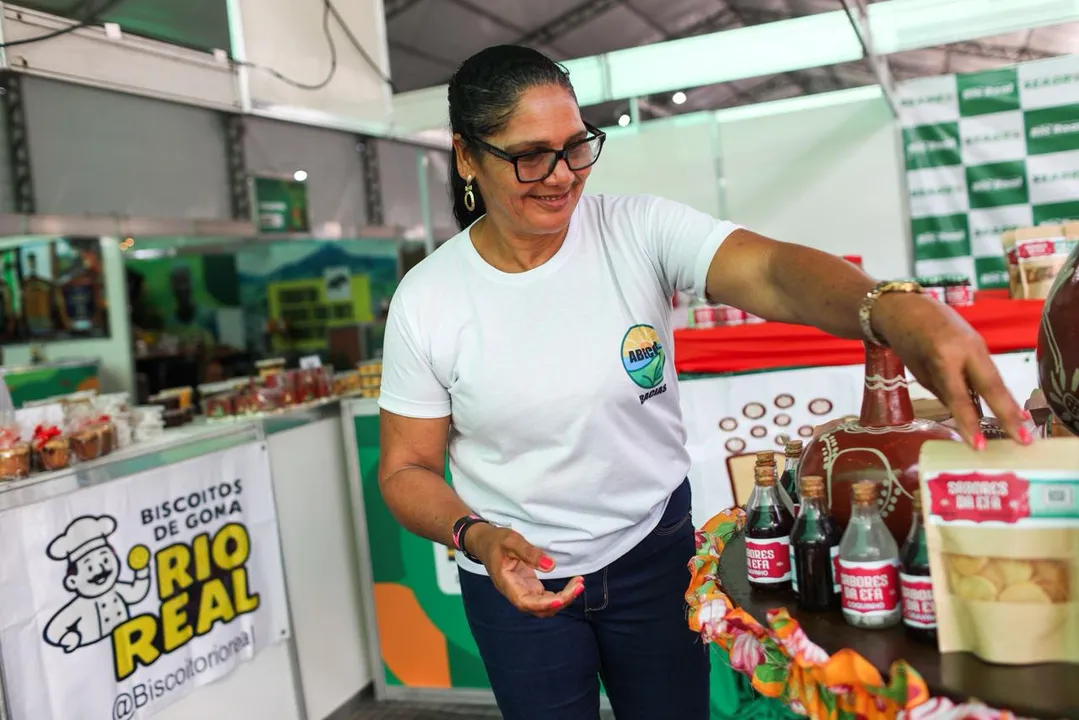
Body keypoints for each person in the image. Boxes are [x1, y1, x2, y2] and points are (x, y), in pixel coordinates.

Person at [377, 45, 1032, 720]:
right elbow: (406, 468)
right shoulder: (430, 299)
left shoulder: (635, 231)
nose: (561, 175)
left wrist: (890, 308)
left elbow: (772, 270)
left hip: (654, 556)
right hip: (512, 576)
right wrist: (473, 535)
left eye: (576, 148)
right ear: (465, 157)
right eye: (529, 155)